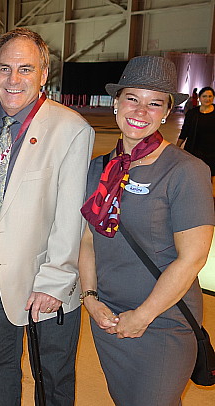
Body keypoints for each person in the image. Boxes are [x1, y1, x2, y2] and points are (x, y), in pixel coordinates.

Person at [0, 28, 95, 406]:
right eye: (4, 69)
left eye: (25, 69)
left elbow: (71, 217)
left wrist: (55, 280)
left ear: (43, 74)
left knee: (51, 374)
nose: (13, 80)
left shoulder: (70, 128)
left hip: (43, 272)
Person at [79, 55, 215, 406]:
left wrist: (142, 316)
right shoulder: (99, 168)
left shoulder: (186, 171)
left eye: (155, 103)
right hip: (109, 319)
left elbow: (193, 258)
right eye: (132, 99)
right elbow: (89, 240)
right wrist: (90, 299)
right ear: (116, 104)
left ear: (167, 112)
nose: (141, 111)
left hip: (163, 321)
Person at [177, 86, 215, 187]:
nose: (207, 99)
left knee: (212, 175)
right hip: (195, 149)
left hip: (212, 152)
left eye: (210, 96)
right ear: (199, 97)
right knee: (194, 174)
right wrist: (177, 147)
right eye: (205, 96)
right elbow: (184, 131)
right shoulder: (192, 113)